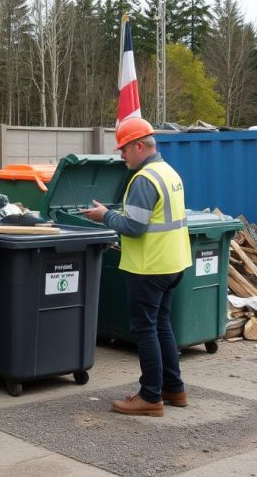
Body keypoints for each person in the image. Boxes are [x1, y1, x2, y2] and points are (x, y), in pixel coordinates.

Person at [80, 117, 191, 417]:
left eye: (125, 149)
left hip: (149, 267)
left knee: (145, 330)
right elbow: (150, 217)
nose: (121, 155)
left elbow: (135, 227)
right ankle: (173, 389)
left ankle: (151, 396)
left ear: (139, 146)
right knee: (162, 326)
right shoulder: (168, 172)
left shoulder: (144, 179)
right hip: (173, 263)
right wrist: (112, 212)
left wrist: (104, 216)